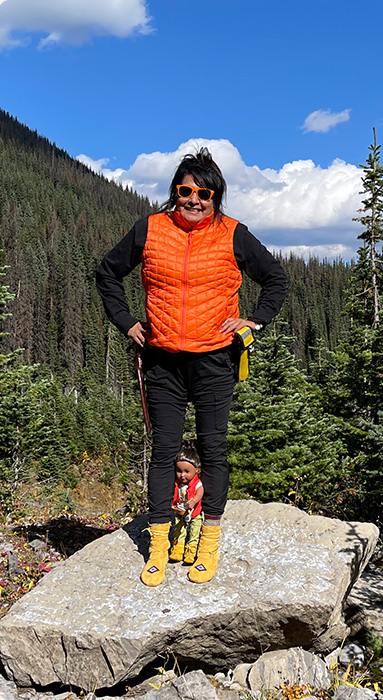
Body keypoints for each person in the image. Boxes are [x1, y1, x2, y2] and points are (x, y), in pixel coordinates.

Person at [96, 147, 289, 586]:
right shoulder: (151, 229)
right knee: (164, 451)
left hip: (215, 359)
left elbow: (276, 278)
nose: (194, 199)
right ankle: (159, 546)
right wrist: (127, 323)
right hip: (162, 358)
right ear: (174, 192)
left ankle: (207, 542)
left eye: (205, 192)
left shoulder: (233, 234)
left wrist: (254, 320)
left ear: (217, 196)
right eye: (186, 190)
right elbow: (107, 273)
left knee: (213, 448)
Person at [170, 439, 203, 565]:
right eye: (179, 471)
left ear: (196, 470)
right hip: (180, 511)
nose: (182, 475)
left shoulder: (196, 483)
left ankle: (191, 552)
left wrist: (194, 500)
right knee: (179, 530)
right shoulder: (178, 484)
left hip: (194, 512)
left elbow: (200, 491)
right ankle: (177, 549)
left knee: (194, 531)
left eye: (187, 471)